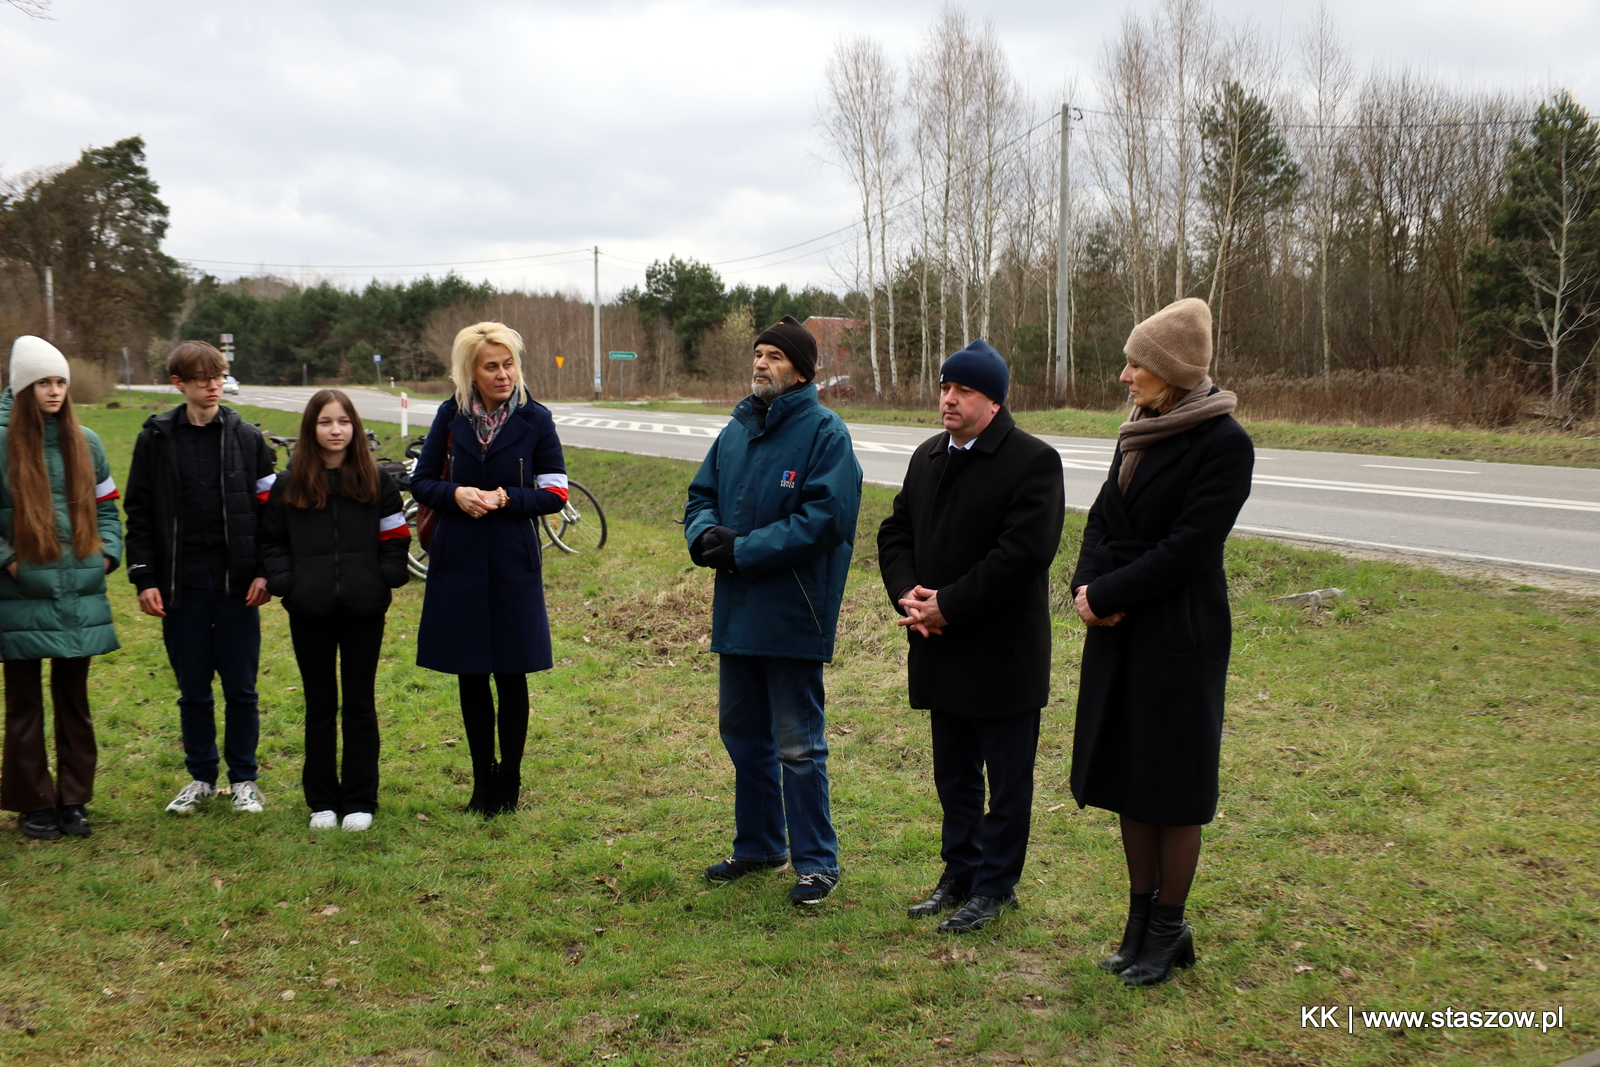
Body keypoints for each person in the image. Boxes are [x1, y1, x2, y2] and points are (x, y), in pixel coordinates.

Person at [1069, 297, 1254, 986]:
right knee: (1130, 778)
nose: (1125, 376)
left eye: (1136, 364)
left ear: (1170, 371)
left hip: (1180, 636)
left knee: (1173, 787)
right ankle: (1138, 922)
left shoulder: (1225, 444)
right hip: (1121, 631)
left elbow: (1187, 549)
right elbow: (1100, 520)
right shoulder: (1136, 431)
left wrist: (1110, 594)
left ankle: (1169, 927)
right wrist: (1086, 588)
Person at [877, 340, 1065, 932]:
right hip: (939, 646)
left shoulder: (1032, 461)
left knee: (1007, 781)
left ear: (994, 400)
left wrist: (948, 607)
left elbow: (1022, 555)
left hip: (1003, 652)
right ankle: (959, 872)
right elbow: (895, 530)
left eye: (963, 390)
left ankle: (996, 885)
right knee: (954, 774)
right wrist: (909, 596)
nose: (948, 399)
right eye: (944, 387)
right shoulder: (928, 455)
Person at [683, 316, 863, 906]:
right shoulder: (735, 429)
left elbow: (826, 519)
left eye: (775, 357)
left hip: (792, 610)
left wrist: (743, 550)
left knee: (798, 744)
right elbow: (701, 495)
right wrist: (704, 535)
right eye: (758, 354)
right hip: (737, 611)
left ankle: (817, 863)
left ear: (803, 371)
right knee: (741, 732)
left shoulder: (825, 434)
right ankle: (759, 843)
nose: (761, 364)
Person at [410, 322, 568, 816]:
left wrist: (507, 498)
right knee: (471, 673)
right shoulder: (449, 415)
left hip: (511, 559)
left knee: (511, 671)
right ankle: (483, 782)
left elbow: (556, 491)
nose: (503, 374)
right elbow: (421, 483)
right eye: (491, 366)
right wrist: (455, 494)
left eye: (509, 364)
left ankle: (511, 784)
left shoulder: (536, 419)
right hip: (457, 559)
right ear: (470, 373)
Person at [125, 340, 277, 816]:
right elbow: (140, 512)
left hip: (238, 588)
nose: (214, 386)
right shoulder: (155, 438)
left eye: (219, 376)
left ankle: (244, 779)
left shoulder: (247, 437)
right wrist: (144, 577)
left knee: (241, 687)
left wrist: (267, 572)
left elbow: (271, 514)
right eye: (202, 379)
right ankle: (200, 777)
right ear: (179, 384)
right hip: (180, 588)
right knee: (193, 689)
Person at [260, 389, 410, 831]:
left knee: (360, 704)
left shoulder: (376, 480)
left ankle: (361, 799)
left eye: (343, 421)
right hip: (310, 610)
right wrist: (289, 583)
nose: (335, 430)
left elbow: (396, 534)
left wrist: (384, 575)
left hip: (365, 608)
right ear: (312, 428)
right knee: (320, 705)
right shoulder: (290, 484)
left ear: (354, 427)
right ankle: (322, 800)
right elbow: (271, 541)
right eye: (326, 422)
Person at [0, 336, 123, 840]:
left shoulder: (87, 441)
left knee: (75, 699)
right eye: (44, 382)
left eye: (61, 382)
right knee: (24, 701)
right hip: (21, 594)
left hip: (80, 592)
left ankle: (73, 799)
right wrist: (8, 562)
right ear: (23, 386)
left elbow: (110, 510)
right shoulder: (2, 442)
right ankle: (33, 802)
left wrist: (107, 554)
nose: (54, 391)